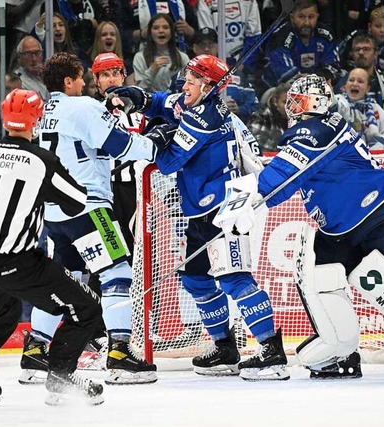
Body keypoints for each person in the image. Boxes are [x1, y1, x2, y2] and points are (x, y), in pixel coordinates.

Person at [216, 74, 384, 379]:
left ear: (316, 102)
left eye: (298, 100)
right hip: (340, 227)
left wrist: (250, 197)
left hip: (376, 214)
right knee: (315, 272)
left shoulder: (314, 130)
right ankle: (339, 351)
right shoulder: (319, 127)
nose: (292, 106)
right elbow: (288, 182)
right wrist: (253, 196)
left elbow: (282, 175)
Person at [107, 54, 290, 381]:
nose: (186, 85)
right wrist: (141, 98)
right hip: (202, 210)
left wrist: (160, 137)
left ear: (209, 87)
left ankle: (271, 349)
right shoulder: (193, 104)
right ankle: (225, 347)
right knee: (195, 278)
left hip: (225, 209)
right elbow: (165, 102)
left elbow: (168, 163)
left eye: (193, 80)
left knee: (234, 278)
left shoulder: (204, 118)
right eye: (187, 78)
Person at [0, 88, 105, 406]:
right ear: (38, 119)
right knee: (85, 308)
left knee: (2, 313)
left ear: (4, 119)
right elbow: (75, 203)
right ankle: (60, 376)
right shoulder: (41, 160)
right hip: (20, 263)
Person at [25, 52, 172, 386]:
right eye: (81, 78)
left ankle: (35, 353)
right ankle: (120, 353)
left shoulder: (45, 110)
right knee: (118, 272)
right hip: (88, 206)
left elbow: (92, 147)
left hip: (54, 212)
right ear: (68, 81)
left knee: (65, 280)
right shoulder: (85, 107)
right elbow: (119, 146)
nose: (85, 83)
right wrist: (155, 145)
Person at [262, 0, 339, 88]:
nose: (306, 22)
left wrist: (315, 79)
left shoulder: (325, 35)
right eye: (301, 17)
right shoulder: (281, 37)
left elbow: (334, 67)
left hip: (317, 86)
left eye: (311, 17)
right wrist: (314, 80)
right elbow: (285, 76)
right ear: (292, 17)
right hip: (278, 89)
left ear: (317, 17)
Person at [132, 13, 190, 92]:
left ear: (171, 32)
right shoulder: (140, 57)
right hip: (150, 102)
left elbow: (189, 87)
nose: (161, 31)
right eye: (156, 28)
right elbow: (138, 91)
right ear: (150, 32)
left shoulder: (182, 57)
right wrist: (152, 70)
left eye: (165, 27)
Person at [335, 67, 384, 149]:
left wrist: (369, 151)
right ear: (345, 85)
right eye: (351, 80)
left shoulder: (375, 108)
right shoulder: (338, 102)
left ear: (368, 88)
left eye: (360, 81)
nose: (355, 84)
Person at [12, 36, 49, 101]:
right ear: (19, 57)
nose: (34, 59)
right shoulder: (18, 81)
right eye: (28, 54)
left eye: (37, 53)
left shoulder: (47, 75)